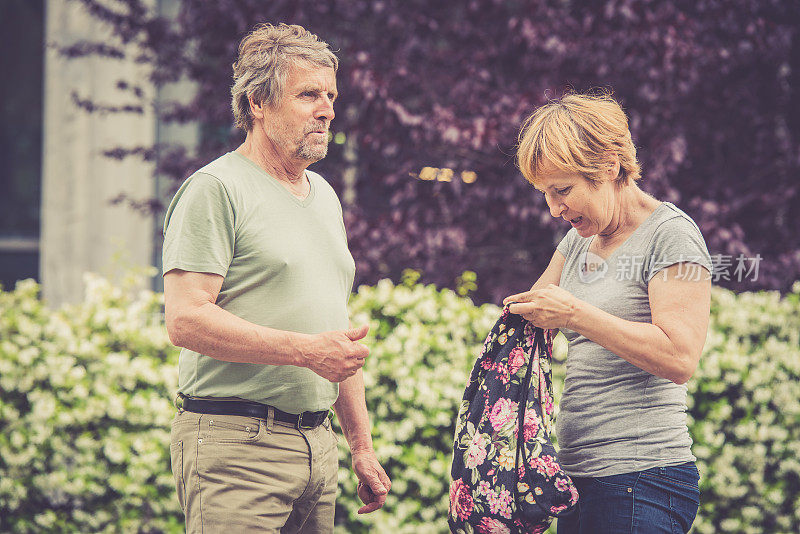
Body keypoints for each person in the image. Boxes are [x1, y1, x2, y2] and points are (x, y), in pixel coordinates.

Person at [162, 23, 390, 533]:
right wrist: (306, 352)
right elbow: (185, 320)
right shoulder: (215, 189)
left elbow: (335, 333)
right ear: (258, 102)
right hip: (236, 447)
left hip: (317, 447)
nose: (327, 108)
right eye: (308, 94)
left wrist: (362, 446)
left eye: (331, 95)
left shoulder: (324, 196)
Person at [504, 92, 712, 534]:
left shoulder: (671, 235)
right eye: (545, 193)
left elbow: (680, 357)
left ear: (610, 166)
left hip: (643, 482)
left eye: (563, 190)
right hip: (577, 481)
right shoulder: (581, 238)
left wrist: (574, 314)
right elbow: (534, 313)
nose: (555, 208)